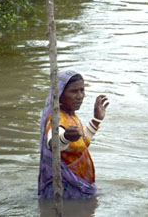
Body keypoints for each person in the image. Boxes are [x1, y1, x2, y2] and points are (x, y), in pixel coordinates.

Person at [38, 69, 109, 199]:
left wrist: (96, 120)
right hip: (67, 192)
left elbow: (81, 144)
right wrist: (65, 138)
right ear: (60, 94)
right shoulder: (56, 118)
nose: (80, 95)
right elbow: (53, 143)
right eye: (74, 91)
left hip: (80, 188)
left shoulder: (71, 116)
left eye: (82, 90)